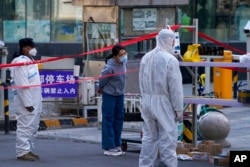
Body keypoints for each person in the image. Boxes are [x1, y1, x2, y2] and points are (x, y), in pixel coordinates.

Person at [139, 29, 183, 167]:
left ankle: (145, 165)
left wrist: (145, 99)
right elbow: (175, 88)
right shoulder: (170, 60)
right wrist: (178, 108)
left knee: (149, 138)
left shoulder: (146, 57)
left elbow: (141, 81)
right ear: (171, 41)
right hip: (163, 103)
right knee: (168, 139)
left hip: (147, 101)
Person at [11, 38, 42, 161]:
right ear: (25, 48)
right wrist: (28, 103)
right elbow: (22, 84)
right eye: (32, 47)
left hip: (35, 99)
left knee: (33, 126)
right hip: (26, 102)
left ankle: (28, 149)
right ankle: (22, 151)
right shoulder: (20, 62)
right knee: (25, 126)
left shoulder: (30, 60)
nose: (34, 49)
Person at [98, 44, 127, 156]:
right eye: (121, 55)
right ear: (115, 56)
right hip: (109, 94)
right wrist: (100, 89)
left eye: (125, 54)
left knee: (119, 119)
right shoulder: (109, 67)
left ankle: (116, 143)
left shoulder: (124, 63)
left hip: (120, 94)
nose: (124, 56)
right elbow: (102, 80)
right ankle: (108, 146)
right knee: (108, 119)